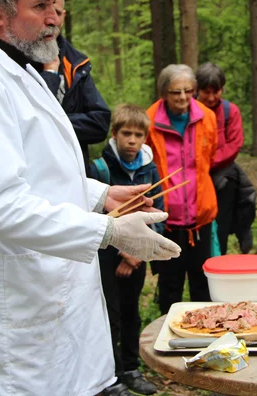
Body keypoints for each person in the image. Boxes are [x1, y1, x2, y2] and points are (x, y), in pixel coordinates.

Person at [0, 0, 181, 395]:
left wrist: (100, 193)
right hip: (11, 302)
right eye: (40, 7)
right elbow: (0, 205)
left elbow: (37, 172)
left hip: (48, 292)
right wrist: (109, 231)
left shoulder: (18, 66)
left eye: (56, 7)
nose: (54, 20)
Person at [90, 105, 161, 396]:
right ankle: (112, 374)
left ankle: (131, 368)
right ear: (114, 134)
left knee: (132, 312)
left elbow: (158, 212)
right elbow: (93, 214)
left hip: (137, 255)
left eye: (138, 134)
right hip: (107, 255)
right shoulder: (100, 168)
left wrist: (136, 255)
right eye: (126, 134)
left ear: (146, 137)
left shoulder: (150, 167)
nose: (132, 140)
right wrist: (122, 251)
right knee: (110, 313)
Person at [147, 64, 218, 315]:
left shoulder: (207, 117)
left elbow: (209, 156)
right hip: (167, 220)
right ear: (164, 93)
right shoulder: (150, 121)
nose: (183, 98)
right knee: (169, 287)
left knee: (203, 285)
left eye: (189, 91)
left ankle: (206, 340)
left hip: (201, 218)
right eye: (176, 92)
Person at [41, 0, 111, 175]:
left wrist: (54, 123)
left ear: (63, 16)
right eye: (42, 9)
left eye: (56, 12)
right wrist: (50, 74)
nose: (51, 19)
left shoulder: (76, 62)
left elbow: (100, 123)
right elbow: (31, 124)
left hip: (75, 173)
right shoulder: (19, 60)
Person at [196, 62, 255, 255]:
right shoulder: (188, 111)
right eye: (206, 92)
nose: (212, 98)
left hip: (222, 177)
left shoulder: (231, 112)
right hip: (193, 178)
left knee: (221, 224)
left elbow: (233, 145)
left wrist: (207, 163)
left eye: (217, 91)